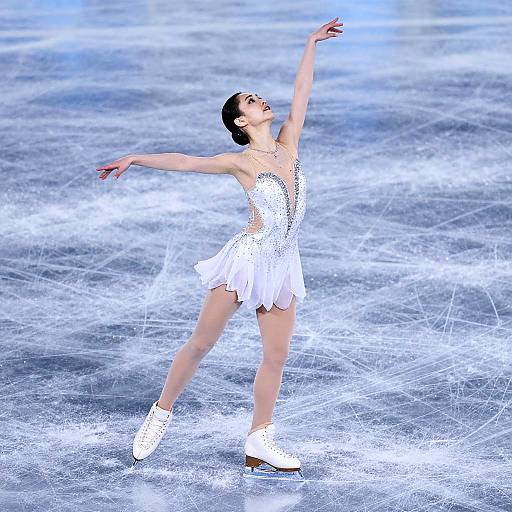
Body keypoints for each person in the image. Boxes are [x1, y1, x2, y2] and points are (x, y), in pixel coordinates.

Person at [96, 17, 343, 479]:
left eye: (258, 96)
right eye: (252, 100)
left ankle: (259, 437)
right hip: (247, 261)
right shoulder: (239, 162)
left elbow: (303, 89)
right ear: (241, 121)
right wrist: (136, 158)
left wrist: (311, 44)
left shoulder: (289, 142)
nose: (262, 100)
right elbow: (187, 161)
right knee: (203, 342)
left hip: (284, 263)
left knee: (276, 355)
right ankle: (162, 409)